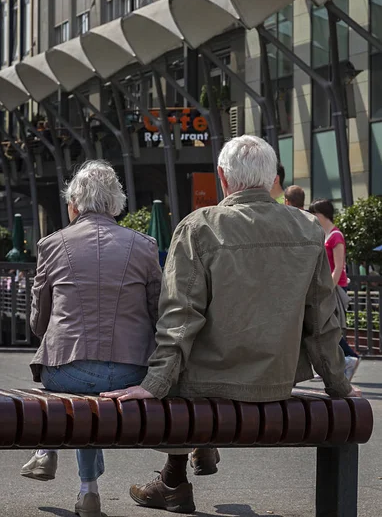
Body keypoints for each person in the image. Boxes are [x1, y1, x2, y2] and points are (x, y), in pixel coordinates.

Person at [102, 135, 358, 514]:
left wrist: (152, 385)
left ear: (222, 177)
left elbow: (179, 320)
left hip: (206, 385)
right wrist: (341, 388)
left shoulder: (198, 227)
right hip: (274, 383)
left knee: (181, 378)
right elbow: (323, 324)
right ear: (273, 179)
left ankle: (175, 476)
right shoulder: (307, 229)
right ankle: (191, 459)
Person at [20, 160, 162, 517]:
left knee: (75, 384)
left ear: (74, 204)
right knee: (89, 392)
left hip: (66, 369)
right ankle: (79, 481)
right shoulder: (144, 246)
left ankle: (64, 466)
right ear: (116, 205)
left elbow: (38, 324)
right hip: (132, 371)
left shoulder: (51, 245)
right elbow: (159, 314)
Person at [309, 199, 360, 381]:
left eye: (314, 213)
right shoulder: (326, 234)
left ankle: (349, 357)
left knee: (328, 325)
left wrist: (328, 288)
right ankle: (344, 360)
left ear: (321, 214)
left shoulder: (335, 235)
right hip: (330, 286)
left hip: (335, 287)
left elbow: (338, 267)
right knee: (326, 325)